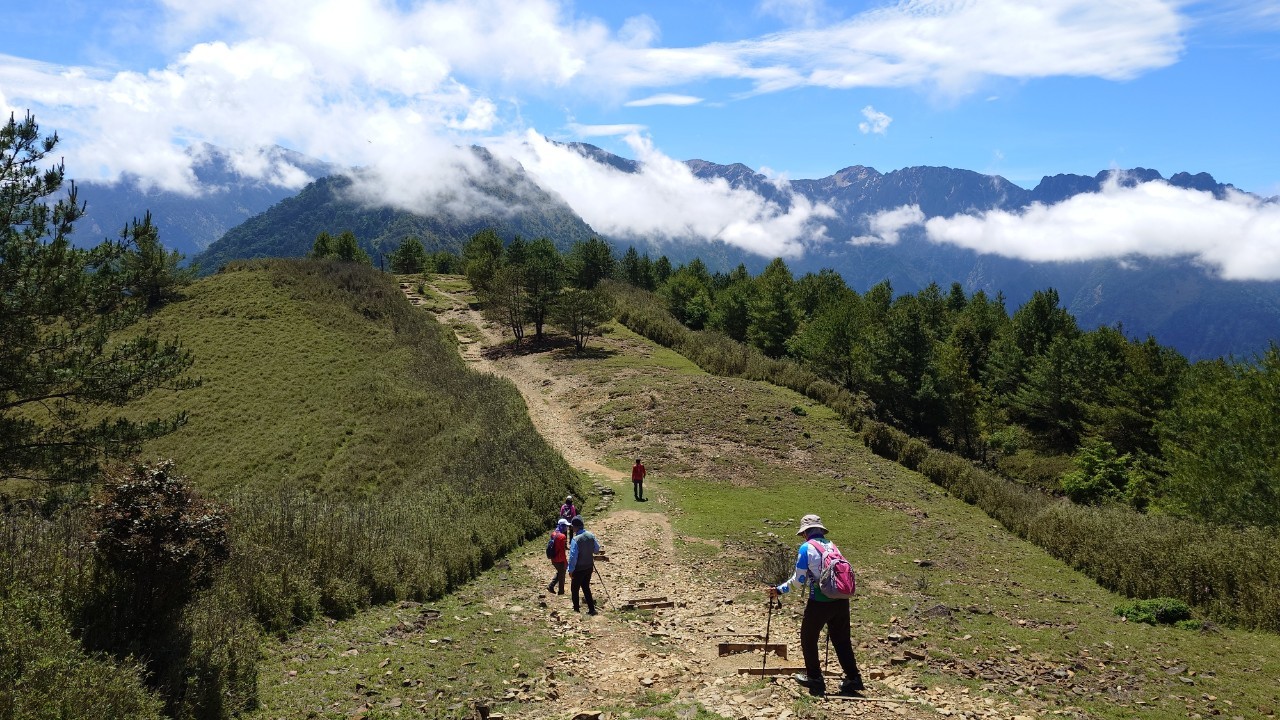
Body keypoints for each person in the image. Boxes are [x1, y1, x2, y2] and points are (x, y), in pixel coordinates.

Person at [767, 514, 865, 698]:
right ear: (820, 530)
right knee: (842, 640)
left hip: (819, 602)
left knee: (808, 638)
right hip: (841, 600)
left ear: (805, 533)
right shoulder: (832, 545)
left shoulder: (806, 548)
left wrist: (778, 590)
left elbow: (798, 581)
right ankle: (854, 678)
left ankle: (815, 678)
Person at [566, 515, 602, 615]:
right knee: (586, 587)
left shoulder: (575, 539)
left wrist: (570, 570)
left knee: (574, 589)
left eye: (572, 527)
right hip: (589, 566)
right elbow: (596, 549)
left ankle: (576, 610)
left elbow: (573, 557)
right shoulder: (590, 535)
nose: (572, 529)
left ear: (576, 527)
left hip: (579, 569)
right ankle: (592, 609)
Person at [546, 518, 570, 595]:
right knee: (562, 575)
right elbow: (562, 551)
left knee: (560, 572)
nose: (567, 528)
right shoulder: (562, 536)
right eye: (566, 526)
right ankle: (561, 592)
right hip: (560, 559)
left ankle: (551, 586)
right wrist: (565, 562)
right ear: (562, 526)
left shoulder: (553, 533)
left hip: (553, 557)